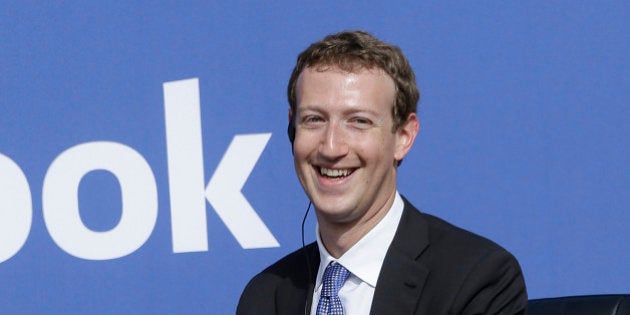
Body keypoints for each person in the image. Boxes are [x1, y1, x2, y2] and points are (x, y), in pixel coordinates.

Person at [237, 30, 527, 315]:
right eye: (314, 119)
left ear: (403, 136)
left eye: (359, 121)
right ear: (292, 128)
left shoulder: (476, 279)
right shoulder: (265, 297)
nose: (332, 146)